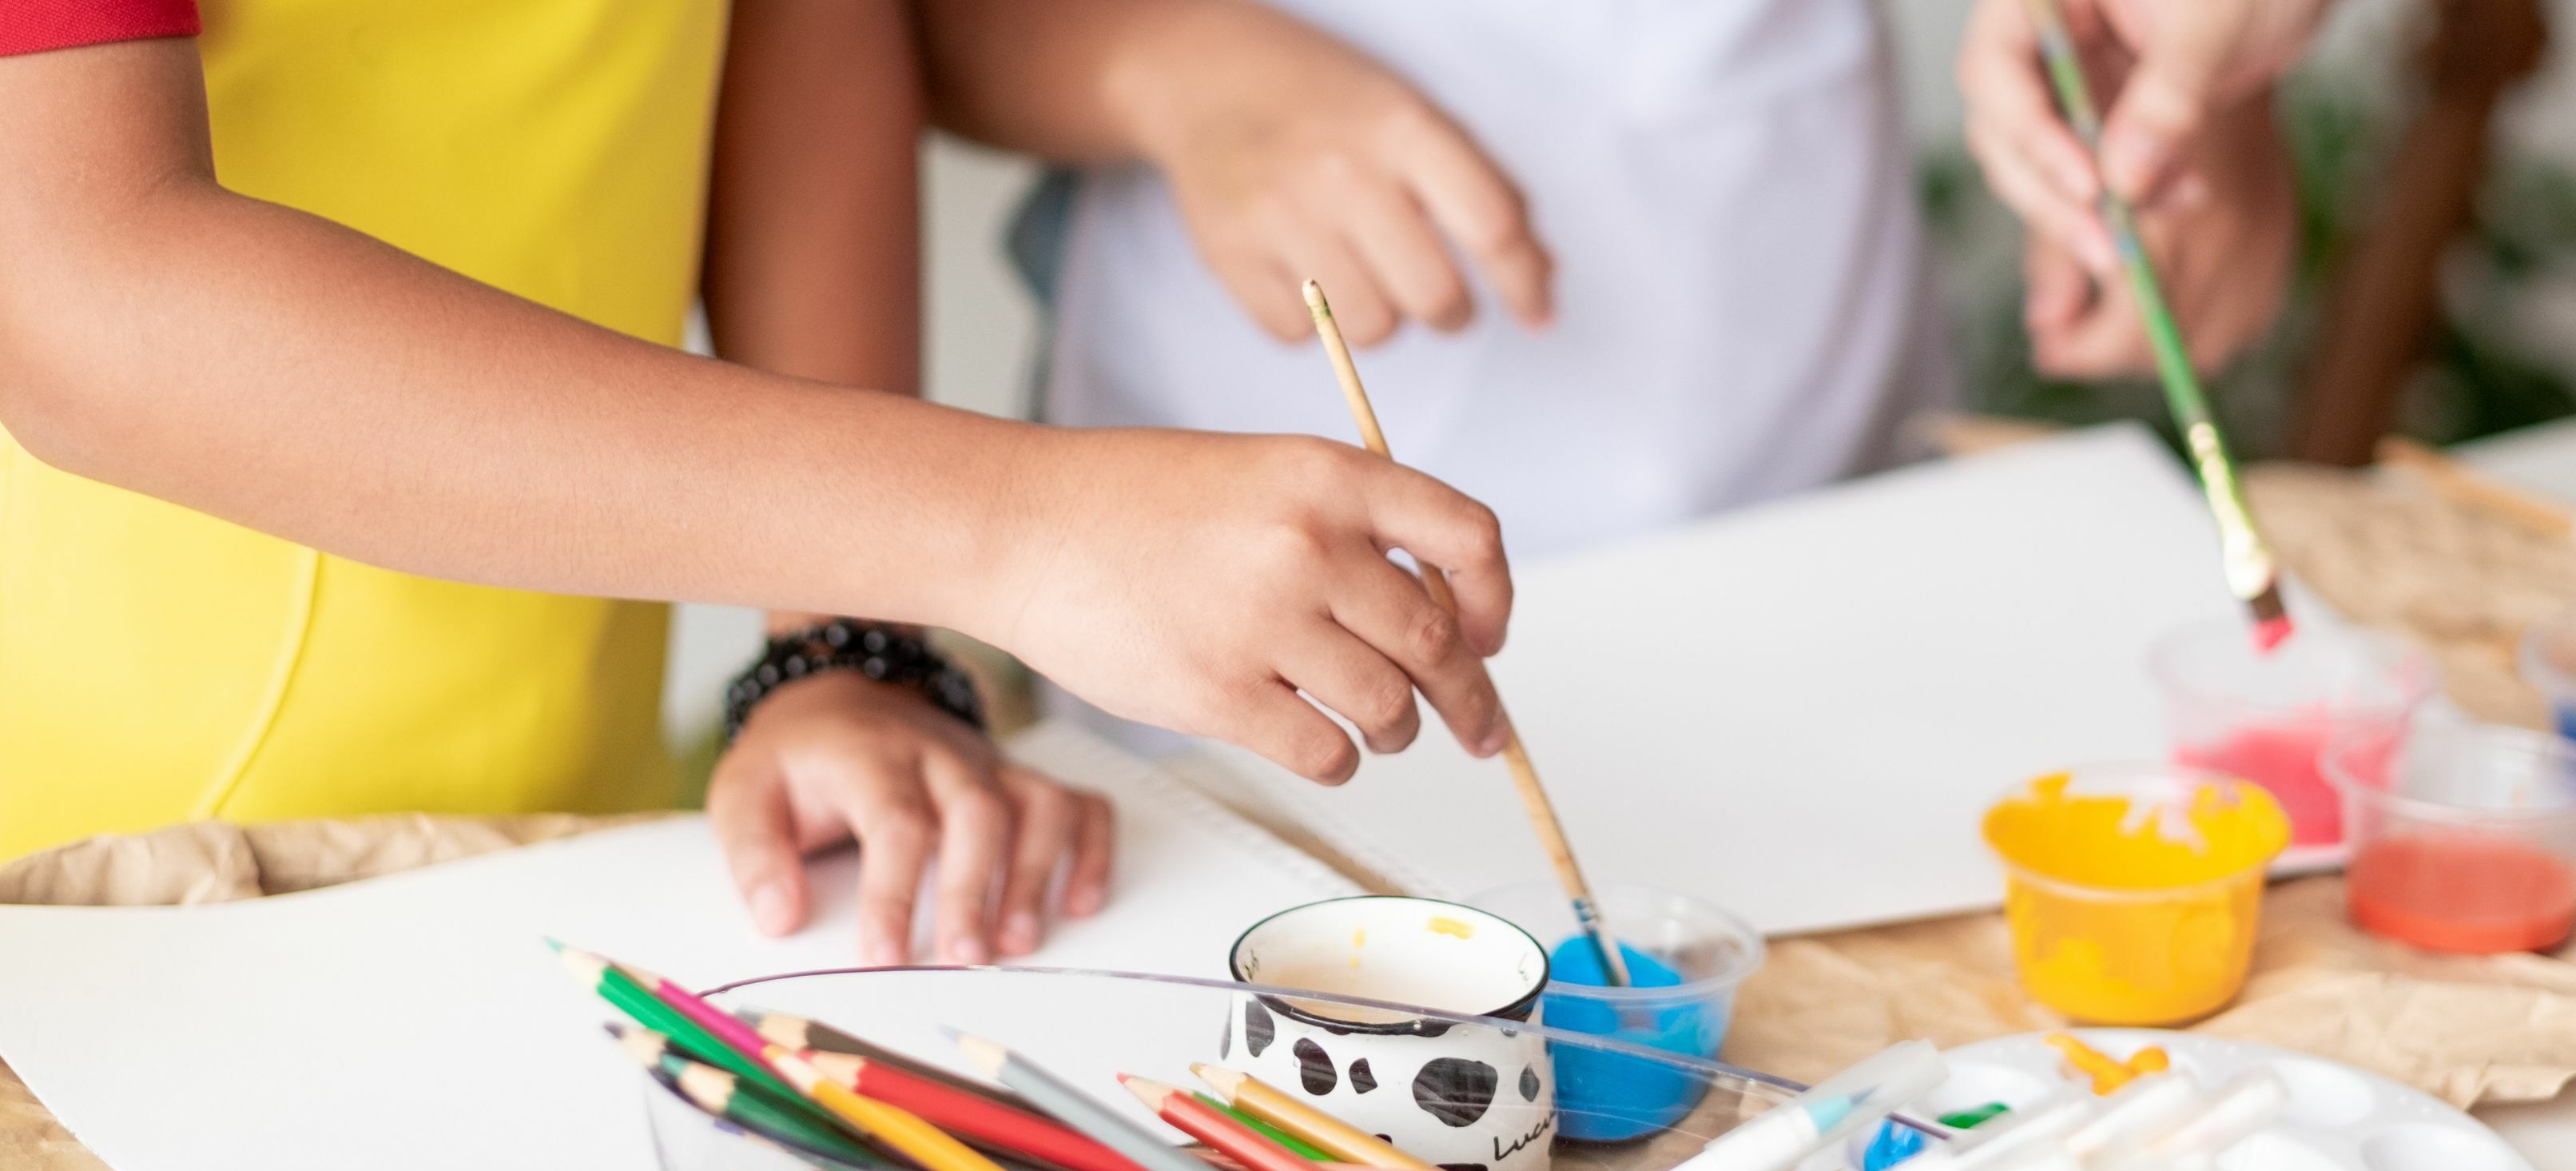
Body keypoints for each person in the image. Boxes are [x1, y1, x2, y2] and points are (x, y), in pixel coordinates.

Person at [0, 1, 1520, 967]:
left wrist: (840, 645)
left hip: (540, 856)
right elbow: (72, 295)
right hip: (78, 889)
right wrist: (1021, 531)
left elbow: (786, 25)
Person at [917, 0, 2326, 560]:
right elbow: (854, 43)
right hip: (1248, 556)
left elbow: (2195, 103)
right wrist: (1160, 66)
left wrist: (2189, 75)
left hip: (1833, 502)